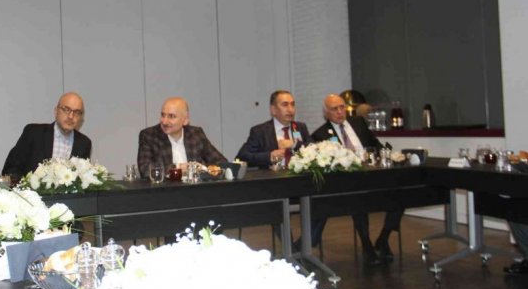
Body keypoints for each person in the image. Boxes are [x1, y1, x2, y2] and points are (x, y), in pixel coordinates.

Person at [312, 93, 403, 266]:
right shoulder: (320, 134)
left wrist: (389, 155)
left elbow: (375, 144)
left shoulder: (358, 122)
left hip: (373, 174)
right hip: (348, 182)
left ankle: (383, 238)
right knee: (358, 198)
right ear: (326, 113)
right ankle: (367, 245)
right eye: (334, 109)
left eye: (342, 107)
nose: (340, 112)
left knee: (401, 194)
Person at [235, 90, 324, 249]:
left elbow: (314, 149)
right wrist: (268, 156)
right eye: (285, 105)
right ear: (273, 110)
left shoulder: (300, 127)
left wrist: (295, 144)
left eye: (292, 105)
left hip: (301, 183)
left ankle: (303, 246)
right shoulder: (260, 131)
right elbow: (242, 156)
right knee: (277, 204)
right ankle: (292, 251)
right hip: (274, 185)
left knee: (324, 201)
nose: (290, 109)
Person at [3, 92, 91, 180]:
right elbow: (11, 169)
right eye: (66, 109)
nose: (71, 116)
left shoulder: (84, 143)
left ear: (80, 117)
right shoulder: (34, 133)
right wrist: (26, 185)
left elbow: (82, 178)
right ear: (56, 111)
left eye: (77, 112)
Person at [137, 97, 226, 178]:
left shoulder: (196, 134)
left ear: (185, 120)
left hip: (195, 188)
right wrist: (178, 168)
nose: (164, 122)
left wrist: (201, 168)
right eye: (163, 115)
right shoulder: (149, 136)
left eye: (171, 116)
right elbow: (145, 170)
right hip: (166, 189)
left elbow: (222, 163)